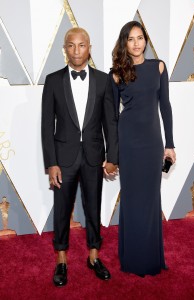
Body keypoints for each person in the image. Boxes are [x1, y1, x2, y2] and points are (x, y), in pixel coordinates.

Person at [41, 27, 118, 286]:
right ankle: (61, 259)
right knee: (62, 210)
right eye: (71, 45)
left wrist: (112, 157)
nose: (76, 50)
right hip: (63, 159)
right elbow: (46, 126)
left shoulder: (103, 80)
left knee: (93, 208)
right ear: (65, 49)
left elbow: (110, 122)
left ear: (89, 47)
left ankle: (94, 256)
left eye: (81, 45)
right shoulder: (53, 81)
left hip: (94, 157)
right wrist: (51, 162)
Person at [110, 21, 176, 276]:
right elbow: (113, 117)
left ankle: (150, 258)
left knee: (150, 199)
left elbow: (165, 107)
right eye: (131, 39)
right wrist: (112, 154)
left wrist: (169, 144)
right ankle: (132, 258)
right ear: (124, 43)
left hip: (151, 143)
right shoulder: (116, 73)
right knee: (130, 198)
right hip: (128, 142)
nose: (136, 43)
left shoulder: (158, 67)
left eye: (140, 38)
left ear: (145, 40)